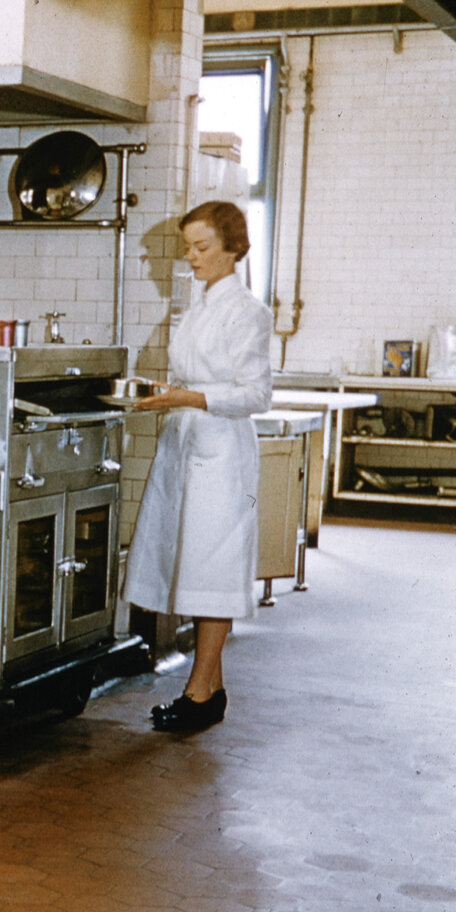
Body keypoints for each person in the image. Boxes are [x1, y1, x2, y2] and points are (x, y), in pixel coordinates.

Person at [124, 201, 274, 733]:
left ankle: (199, 693)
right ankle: (210, 688)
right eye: (187, 247)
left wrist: (188, 396)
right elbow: (188, 376)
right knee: (192, 567)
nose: (191, 257)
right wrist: (169, 394)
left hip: (222, 451)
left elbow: (256, 394)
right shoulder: (196, 308)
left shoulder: (249, 312)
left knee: (215, 572)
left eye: (201, 247)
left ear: (233, 247)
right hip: (184, 445)